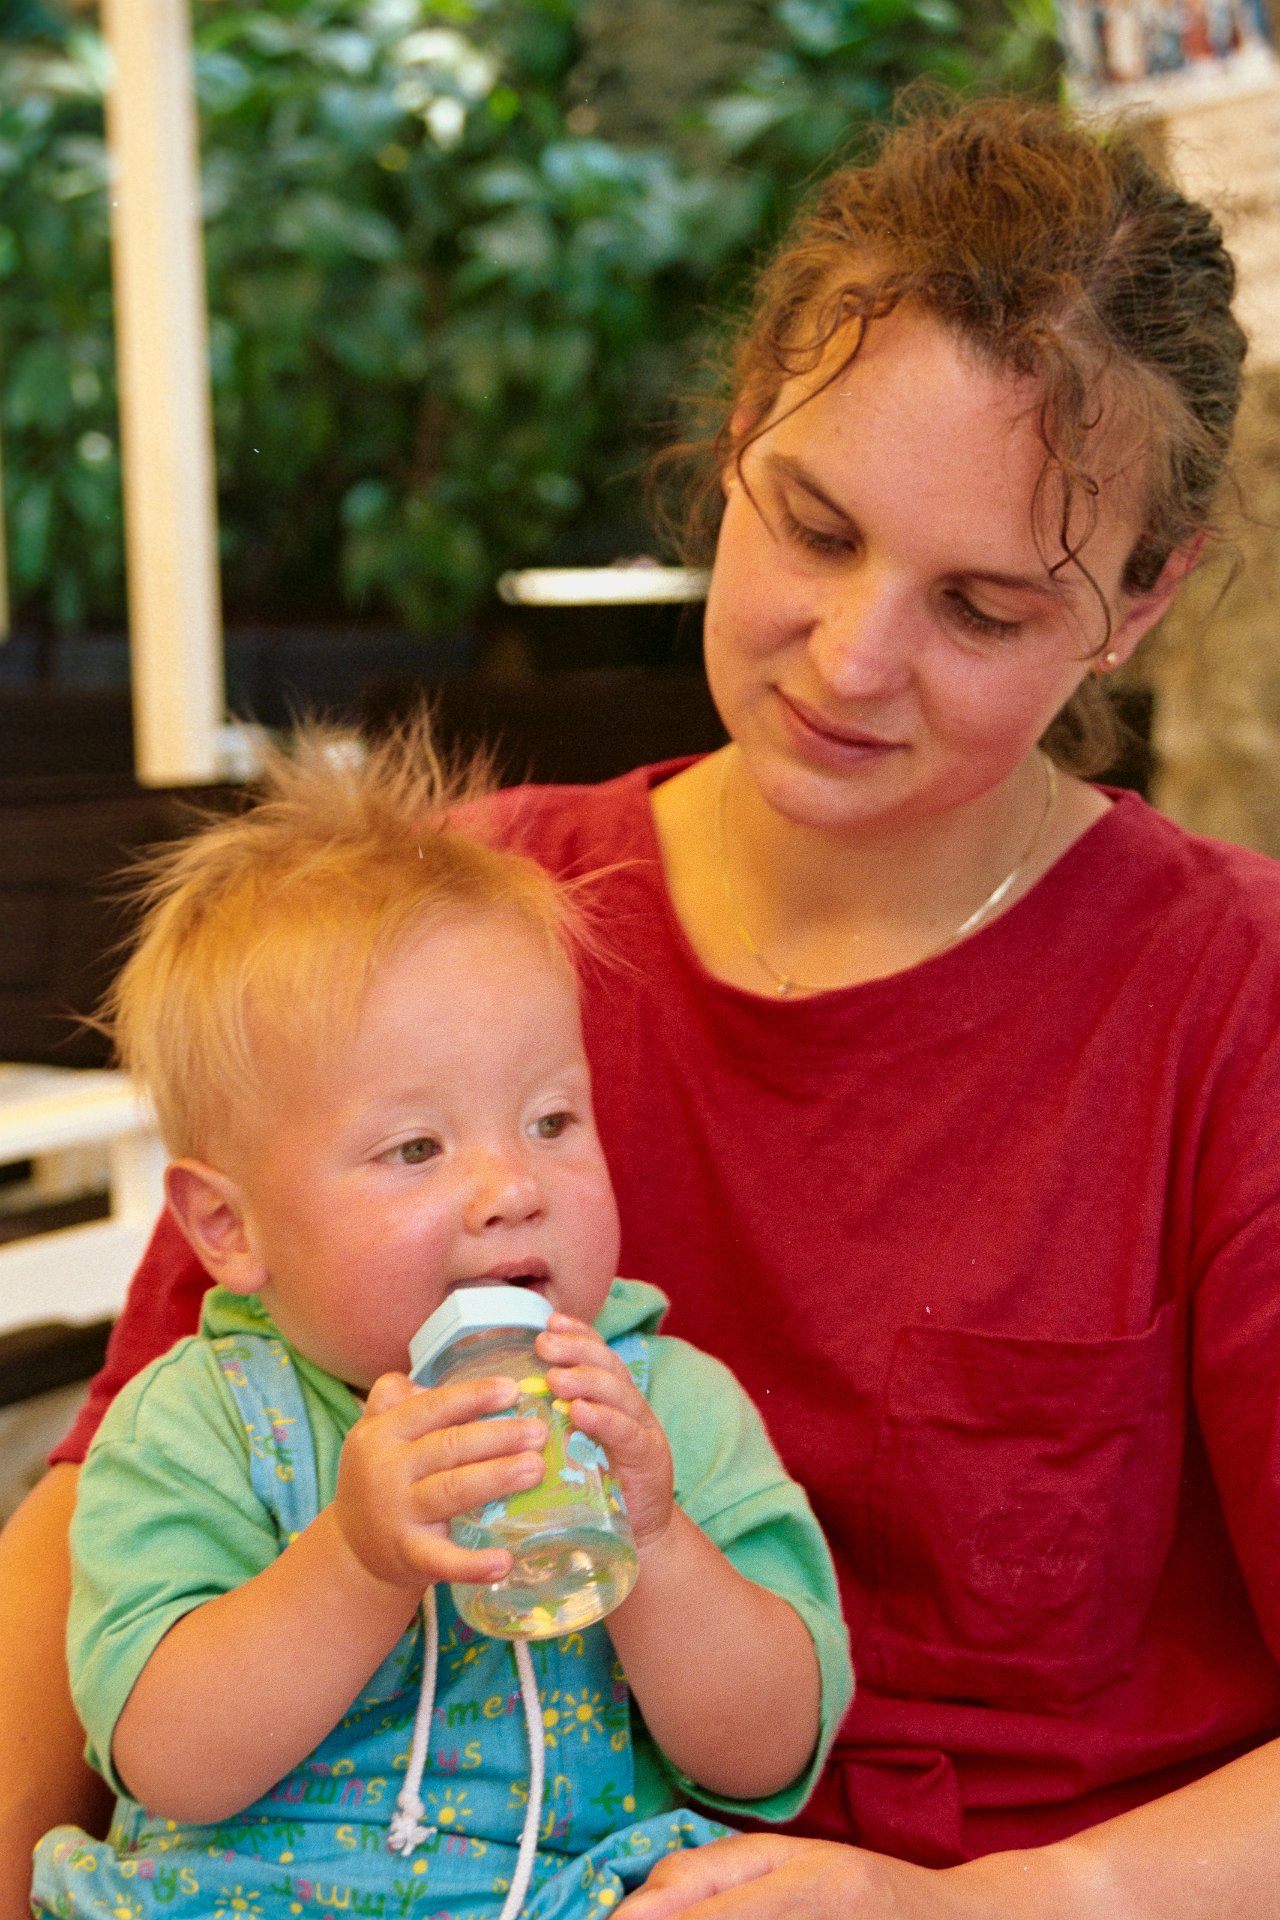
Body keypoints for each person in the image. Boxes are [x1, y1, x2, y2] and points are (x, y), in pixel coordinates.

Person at [5, 89, 1280, 1918]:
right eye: (814, 528)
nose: (853, 660)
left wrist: (986, 1904)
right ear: (740, 425)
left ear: (1140, 607)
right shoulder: (457, 919)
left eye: (984, 610)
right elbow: (107, 1509)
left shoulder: (1231, 1007)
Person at [27, 725, 852, 1917]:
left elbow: (766, 1755)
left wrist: (657, 1541)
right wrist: (354, 1562)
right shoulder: (197, 1425)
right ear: (228, 1227)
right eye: (416, 1148)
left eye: (551, 1122)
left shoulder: (658, 1406)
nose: (511, 1188)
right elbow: (167, 1762)